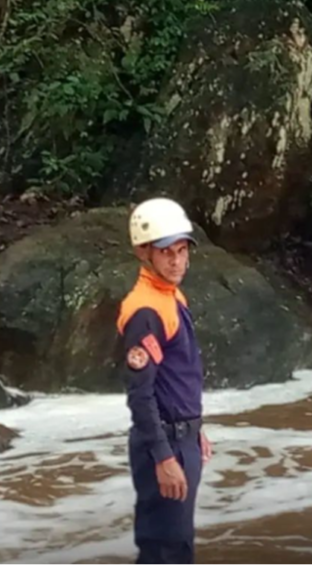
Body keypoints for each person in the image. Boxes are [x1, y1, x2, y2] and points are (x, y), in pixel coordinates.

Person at [117, 197, 212, 564]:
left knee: (177, 545)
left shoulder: (171, 296)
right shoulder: (146, 310)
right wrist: (164, 456)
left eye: (182, 250)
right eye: (166, 253)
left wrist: (195, 427)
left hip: (180, 437)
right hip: (165, 443)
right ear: (144, 253)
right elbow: (140, 394)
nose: (177, 261)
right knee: (165, 551)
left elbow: (178, 376)